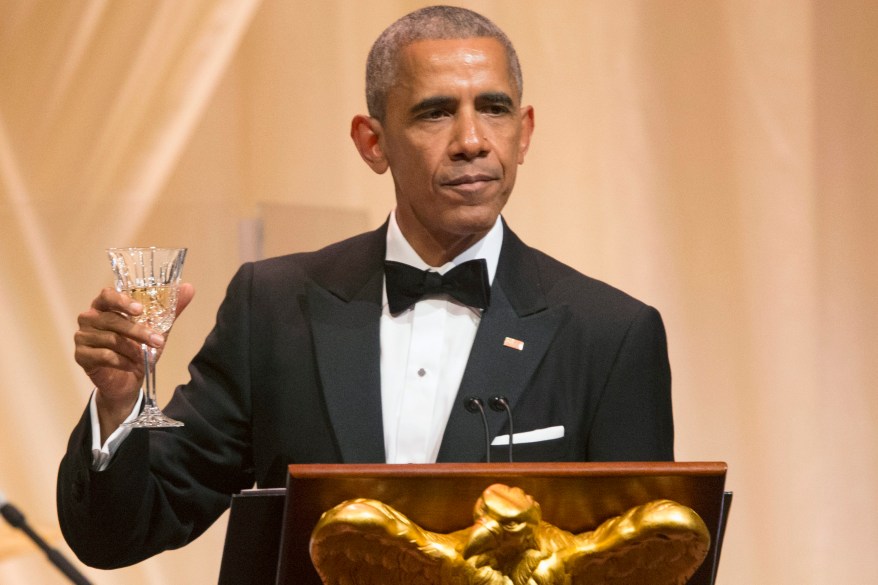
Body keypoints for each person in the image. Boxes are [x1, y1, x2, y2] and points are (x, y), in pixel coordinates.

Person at [57, 5, 673, 569]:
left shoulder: (611, 335)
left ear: (525, 131)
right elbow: (119, 535)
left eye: (494, 108)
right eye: (436, 112)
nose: (472, 141)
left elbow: (646, 562)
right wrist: (120, 406)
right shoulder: (274, 307)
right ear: (371, 142)